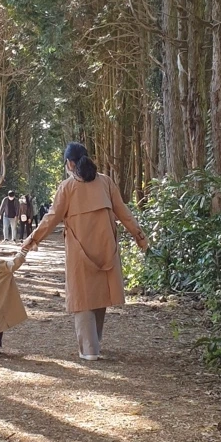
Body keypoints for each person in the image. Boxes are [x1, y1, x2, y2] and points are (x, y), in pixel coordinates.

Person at [21, 142, 148, 360]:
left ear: (70, 164)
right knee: (99, 295)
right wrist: (141, 238)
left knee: (82, 299)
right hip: (106, 248)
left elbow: (51, 218)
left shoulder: (67, 187)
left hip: (79, 251)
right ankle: (95, 342)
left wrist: (31, 240)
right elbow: (124, 212)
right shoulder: (106, 182)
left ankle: (89, 349)